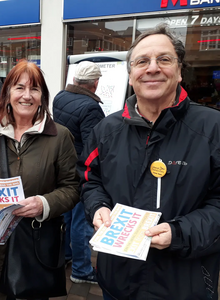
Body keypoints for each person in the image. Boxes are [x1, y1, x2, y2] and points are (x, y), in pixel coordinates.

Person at [79, 23, 220, 300]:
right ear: (131, 75)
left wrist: (179, 232)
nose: (152, 68)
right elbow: (89, 180)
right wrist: (98, 207)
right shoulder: (107, 130)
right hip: (118, 282)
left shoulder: (213, 128)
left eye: (164, 59)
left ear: (179, 71)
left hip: (185, 284)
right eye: (142, 61)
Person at [0, 60, 80, 300]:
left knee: (32, 294)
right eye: (19, 88)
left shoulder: (59, 136)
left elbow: (72, 188)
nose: (26, 96)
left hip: (35, 242)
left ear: (42, 96)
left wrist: (44, 204)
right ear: (7, 93)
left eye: (34, 89)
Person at [53, 61, 105, 284]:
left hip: (62, 167)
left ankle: (65, 255)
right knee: (81, 223)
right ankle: (81, 270)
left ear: (75, 80)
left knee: (65, 217)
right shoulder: (91, 108)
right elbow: (94, 147)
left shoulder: (59, 97)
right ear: (95, 83)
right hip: (81, 172)